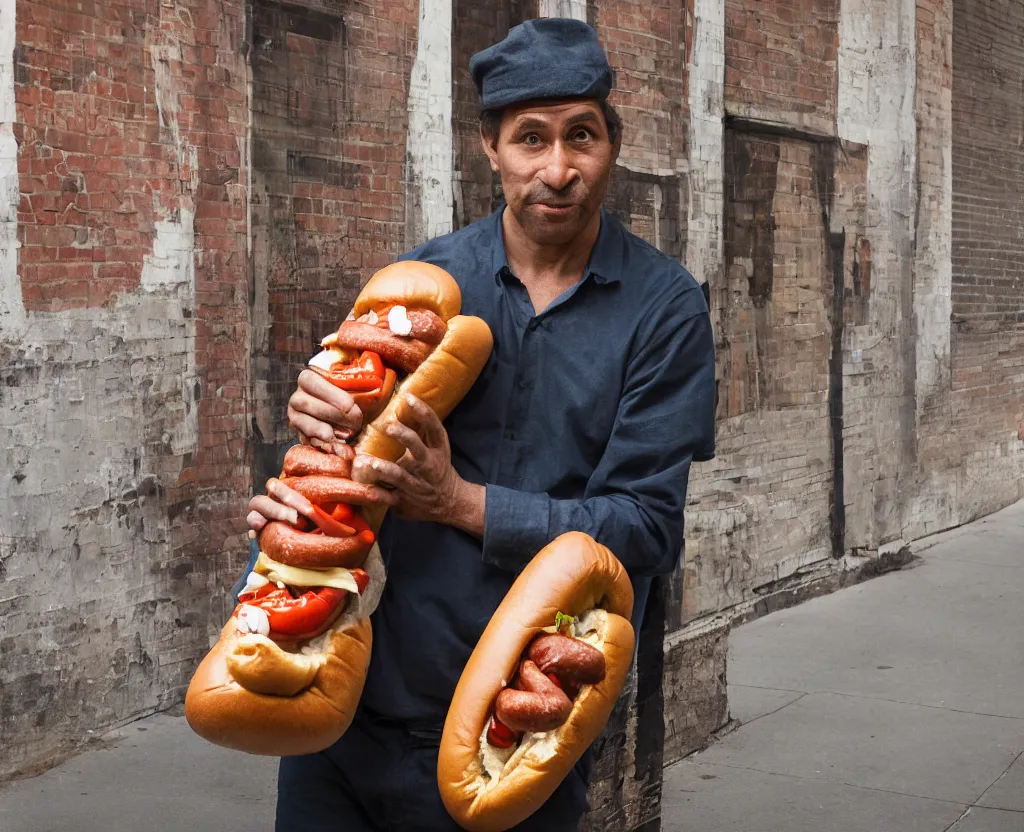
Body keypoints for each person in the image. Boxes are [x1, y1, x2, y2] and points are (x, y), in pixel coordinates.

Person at [243, 18, 716, 831]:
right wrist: (318, 432)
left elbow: (644, 529)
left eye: (582, 137)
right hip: (347, 720)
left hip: (513, 733)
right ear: (491, 148)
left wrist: (461, 501)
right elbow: (344, 479)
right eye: (530, 139)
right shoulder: (425, 285)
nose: (558, 169)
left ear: (613, 145)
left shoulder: (663, 311)